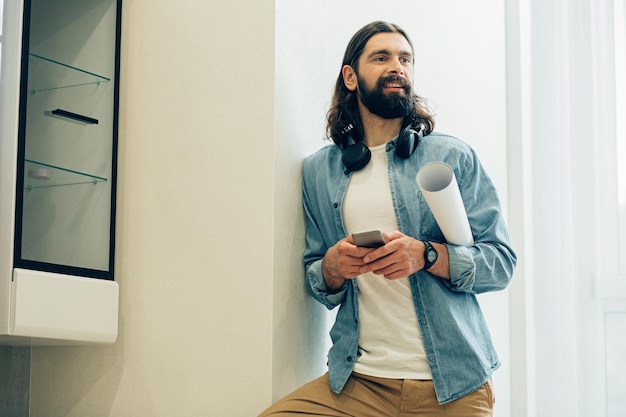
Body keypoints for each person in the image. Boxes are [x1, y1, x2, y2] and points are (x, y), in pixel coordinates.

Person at [259, 21, 517, 417]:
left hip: (452, 383)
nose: (397, 66)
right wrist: (332, 266)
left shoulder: (451, 156)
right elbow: (316, 275)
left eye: (405, 58)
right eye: (381, 58)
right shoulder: (319, 172)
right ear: (351, 76)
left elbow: (500, 263)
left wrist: (426, 255)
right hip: (358, 382)